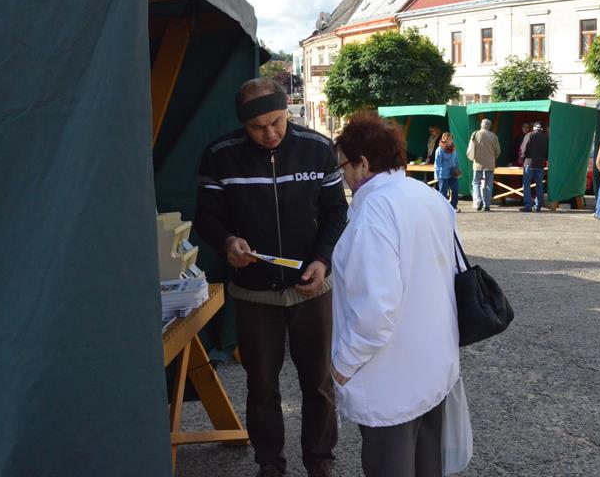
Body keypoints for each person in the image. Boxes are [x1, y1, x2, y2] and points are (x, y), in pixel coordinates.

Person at [194, 78, 348, 477]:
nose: (270, 134)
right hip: (253, 295)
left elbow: (336, 212)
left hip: (311, 289)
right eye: (258, 127)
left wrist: (321, 259)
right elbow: (207, 217)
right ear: (242, 125)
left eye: (277, 122)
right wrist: (227, 242)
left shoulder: (317, 149)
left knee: (318, 384)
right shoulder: (219, 156)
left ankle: (320, 462)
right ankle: (270, 465)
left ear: (287, 111)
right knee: (262, 388)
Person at [331, 111, 462, 477]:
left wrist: (342, 366)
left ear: (363, 163)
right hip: (433, 365)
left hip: (391, 376)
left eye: (344, 165)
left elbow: (376, 310)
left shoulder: (373, 211)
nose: (342, 175)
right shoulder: (426, 196)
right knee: (426, 467)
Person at [467, 118, 501, 211]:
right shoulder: (494, 136)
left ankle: (478, 201)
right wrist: (493, 158)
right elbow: (498, 151)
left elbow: (471, 148)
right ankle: (487, 205)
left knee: (476, 183)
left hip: (478, 163)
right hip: (490, 164)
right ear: (489, 126)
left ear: (481, 125)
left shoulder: (476, 134)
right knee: (488, 184)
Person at [519, 122, 549, 212]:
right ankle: (538, 206)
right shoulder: (545, 137)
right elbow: (548, 151)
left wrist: (523, 158)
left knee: (527, 185)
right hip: (540, 164)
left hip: (529, 163)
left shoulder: (529, 135)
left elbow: (524, 149)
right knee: (539, 185)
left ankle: (528, 206)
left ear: (533, 128)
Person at [434, 131, 461, 211]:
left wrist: (458, 170)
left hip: (453, 173)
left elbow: (456, 160)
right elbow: (437, 163)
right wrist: (437, 175)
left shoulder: (454, 149)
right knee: (443, 192)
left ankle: (453, 207)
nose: (451, 141)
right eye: (449, 139)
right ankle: (442, 208)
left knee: (455, 190)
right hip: (443, 174)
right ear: (445, 140)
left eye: (451, 139)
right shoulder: (439, 150)